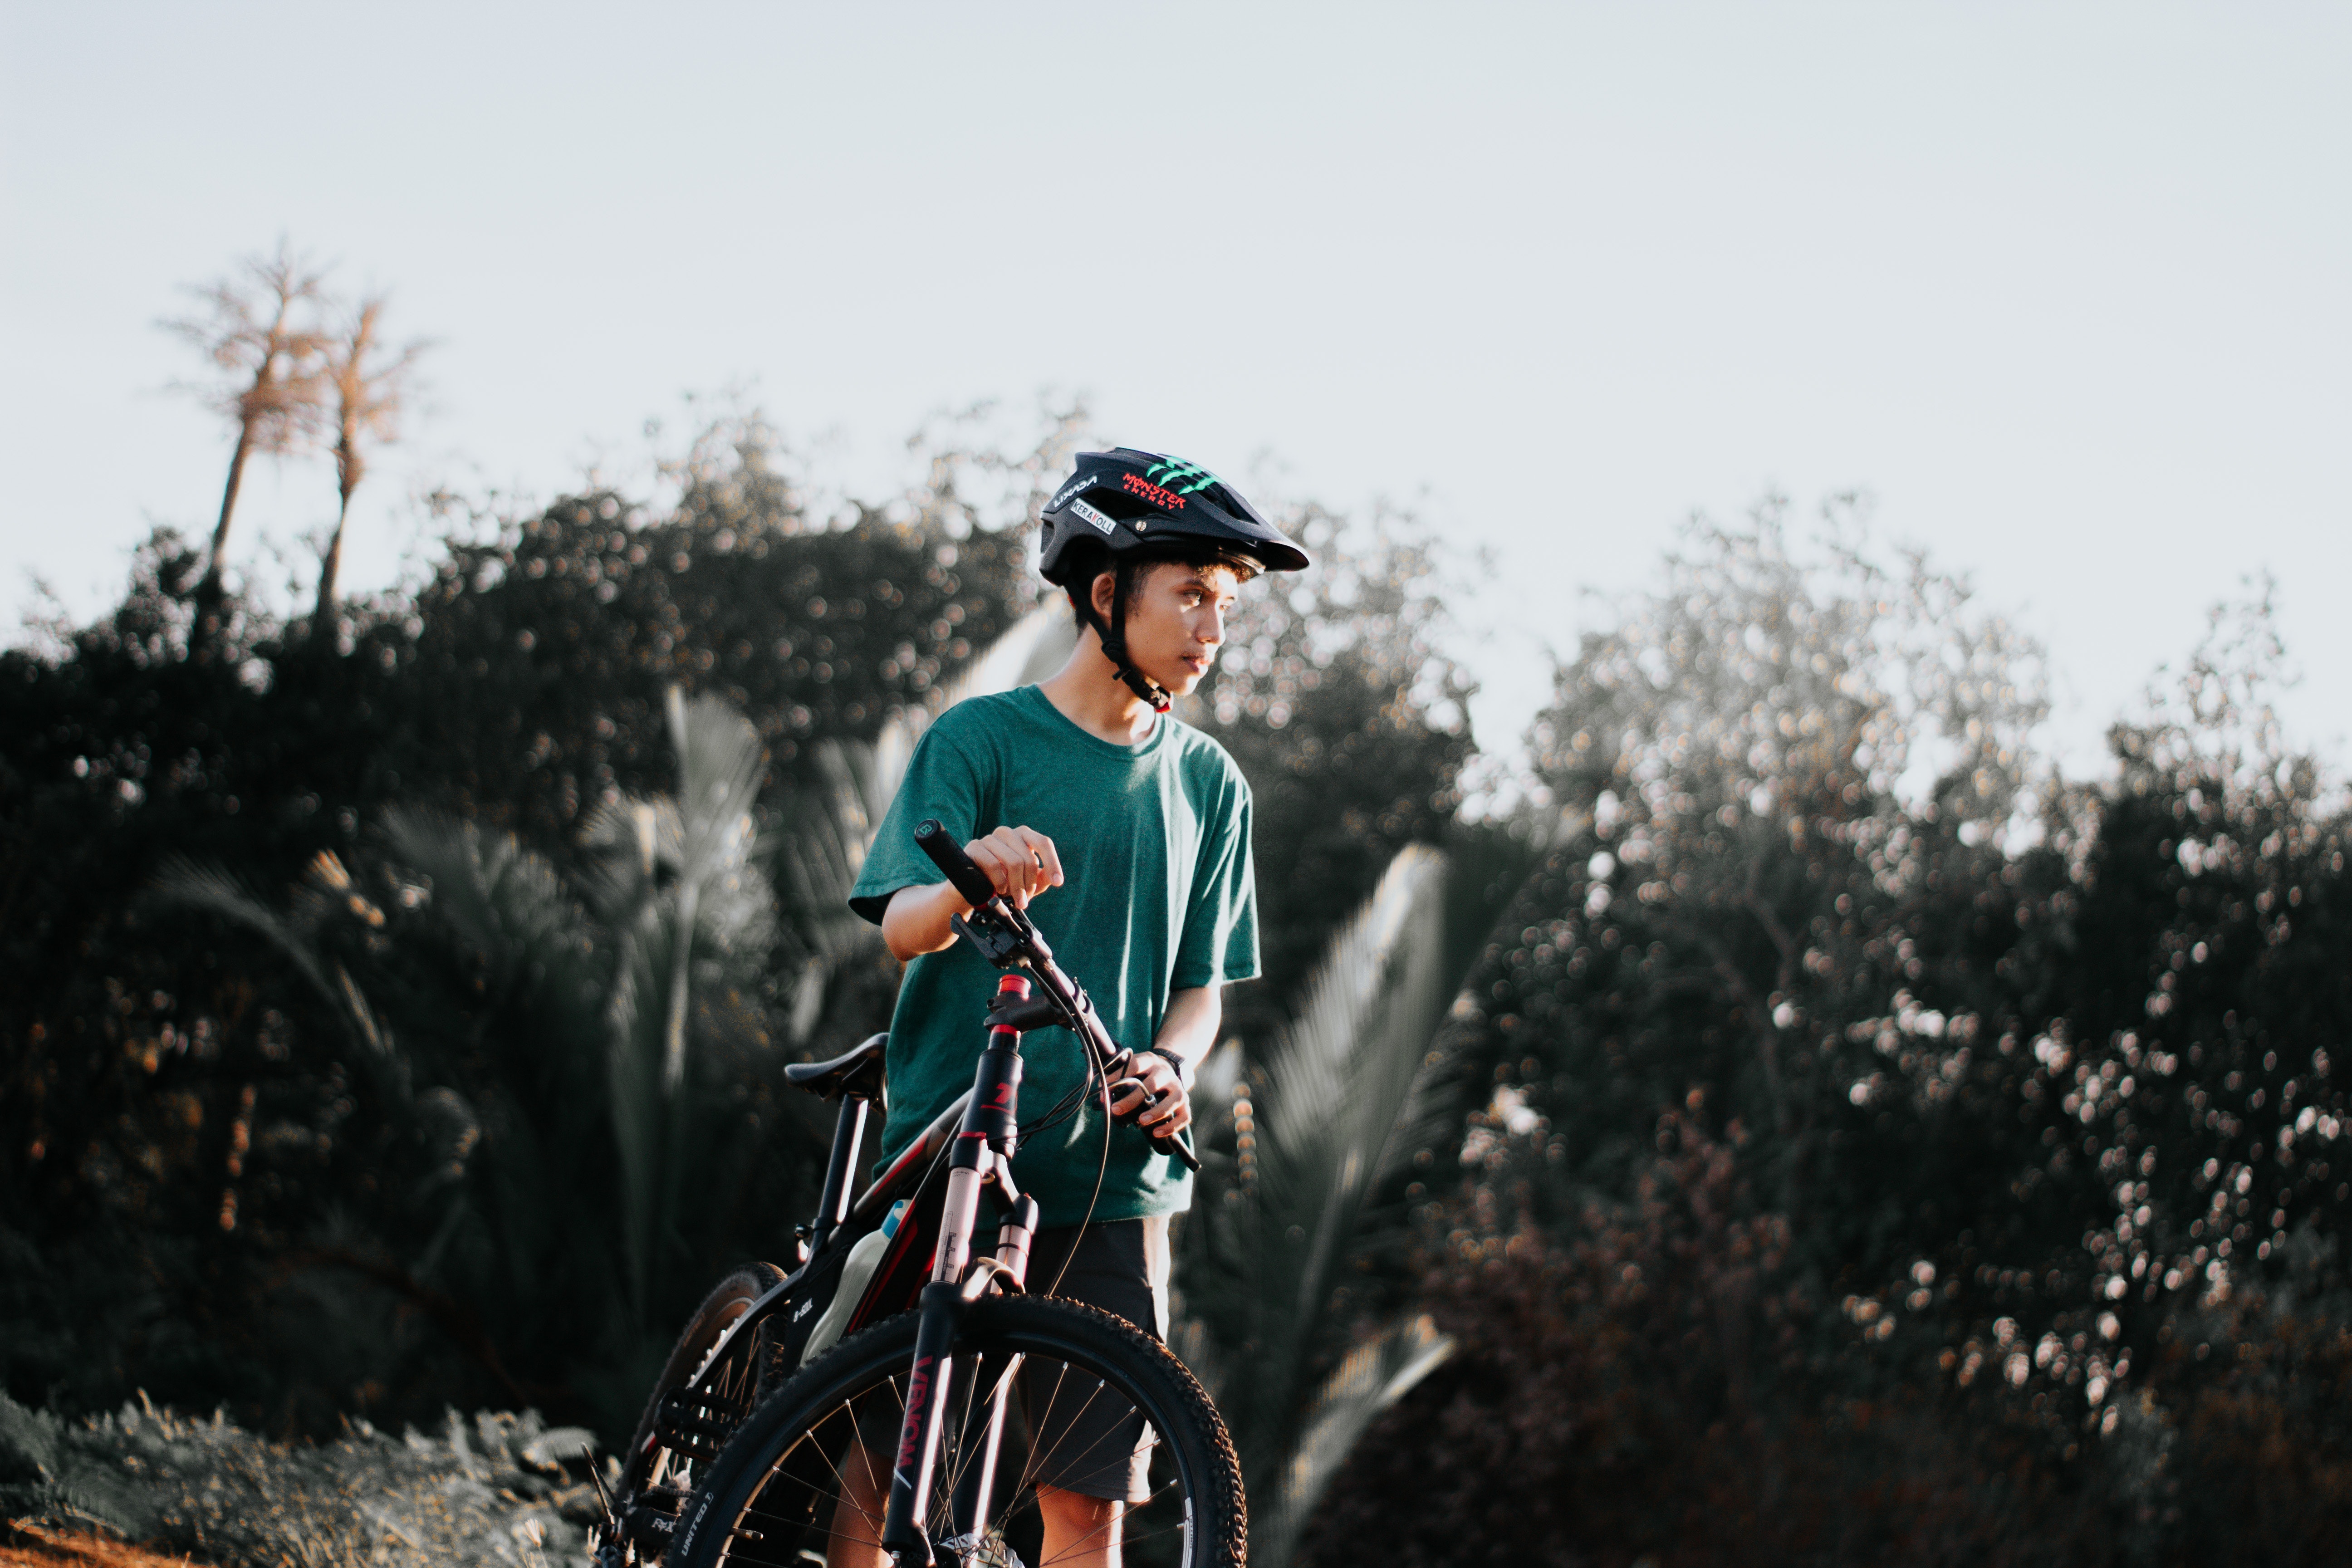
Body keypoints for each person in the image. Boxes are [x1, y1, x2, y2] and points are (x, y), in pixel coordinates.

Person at [835, 448, 1310, 1567]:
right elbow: (903, 927)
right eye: (1190, 592)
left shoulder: (1211, 786)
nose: (1212, 627)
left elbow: (1204, 988)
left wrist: (1174, 1062)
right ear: (1106, 593)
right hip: (961, 1159)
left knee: (1088, 1505)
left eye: (1226, 604)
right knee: (881, 1473)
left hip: (1113, 1180)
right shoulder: (982, 740)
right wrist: (967, 875)